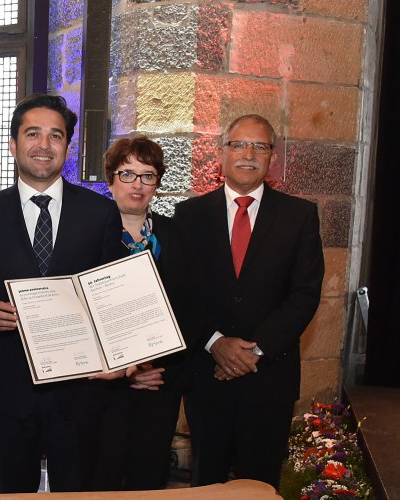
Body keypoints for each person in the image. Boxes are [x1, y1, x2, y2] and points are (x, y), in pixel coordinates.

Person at [0, 93, 129, 493]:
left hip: (81, 391)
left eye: (56, 135)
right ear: (13, 143)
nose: (44, 144)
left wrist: (124, 359)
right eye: (32, 133)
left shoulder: (100, 213)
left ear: (67, 147)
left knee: (78, 494)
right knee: (14, 495)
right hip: (11, 390)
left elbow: (116, 297)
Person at [174, 114, 324, 488]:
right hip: (207, 376)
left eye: (259, 146)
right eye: (239, 144)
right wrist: (215, 343)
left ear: (273, 157)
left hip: (269, 378)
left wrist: (253, 352)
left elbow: (304, 294)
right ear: (221, 153)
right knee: (206, 485)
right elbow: (181, 292)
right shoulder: (189, 215)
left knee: (260, 485)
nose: (248, 154)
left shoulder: (299, 216)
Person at [91, 136, 193, 490]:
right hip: (105, 387)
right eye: (127, 174)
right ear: (110, 180)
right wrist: (127, 371)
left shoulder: (177, 235)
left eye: (147, 175)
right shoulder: (88, 234)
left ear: (157, 183)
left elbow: (190, 306)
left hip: (160, 382)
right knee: (100, 482)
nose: (137, 184)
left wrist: (149, 365)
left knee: (148, 481)